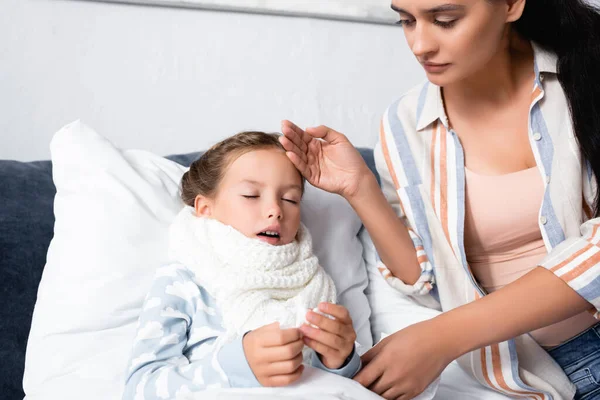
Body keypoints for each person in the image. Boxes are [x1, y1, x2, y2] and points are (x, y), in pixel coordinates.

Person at [280, 0, 600, 399]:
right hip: (524, 374)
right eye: (406, 21)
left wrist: (442, 338)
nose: (419, 45)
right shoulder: (404, 125)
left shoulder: (585, 75)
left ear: (511, 5)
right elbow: (430, 282)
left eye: (445, 20)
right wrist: (359, 187)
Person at [122, 131, 360, 399]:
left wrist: (339, 360)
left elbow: (328, 383)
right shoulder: (183, 282)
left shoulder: (315, 284)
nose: (275, 210)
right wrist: (236, 366)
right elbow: (140, 388)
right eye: (250, 195)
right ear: (205, 208)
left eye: (290, 199)